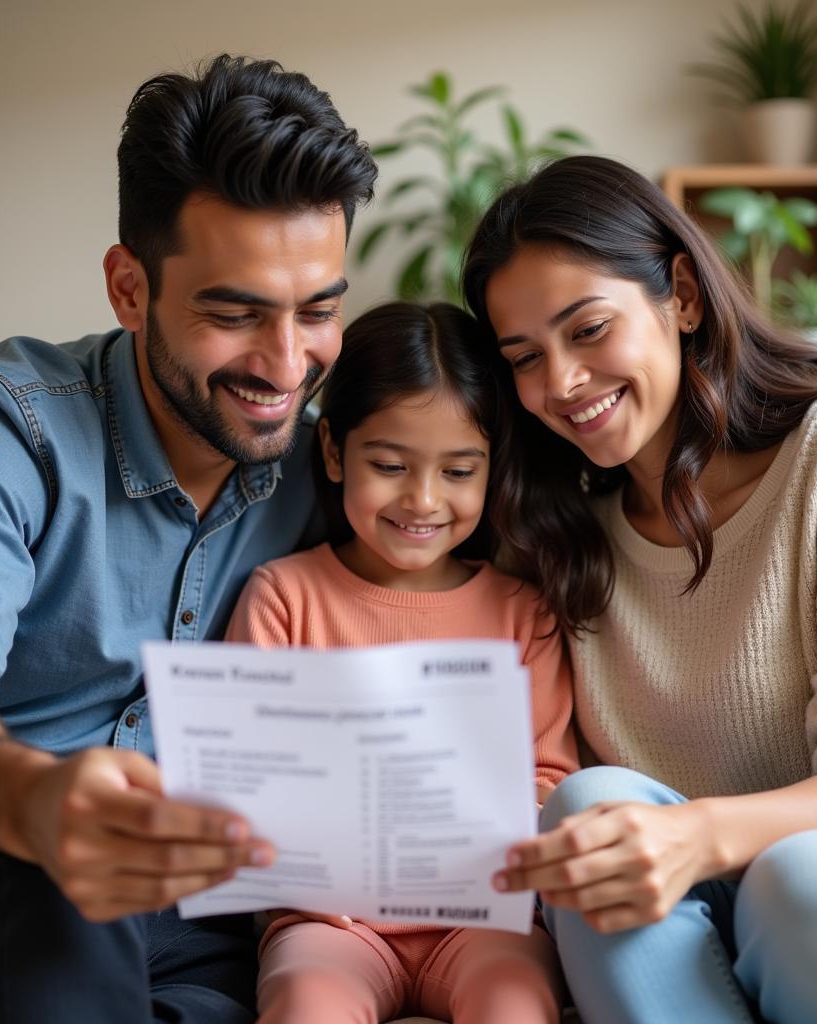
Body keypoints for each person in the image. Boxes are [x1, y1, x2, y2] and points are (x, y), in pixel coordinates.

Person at [0, 55, 377, 1023]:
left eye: (319, 309)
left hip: (210, 923)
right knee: (54, 879)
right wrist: (35, 800)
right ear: (129, 289)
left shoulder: (343, 456)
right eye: (235, 313)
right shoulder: (5, 428)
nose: (288, 363)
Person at [461, 155, 817, 1024]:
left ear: (681, 295)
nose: (561, 383)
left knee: (806, 875)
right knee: (585, 810)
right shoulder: (559, 533)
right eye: (524, 357)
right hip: (684, 935)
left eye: (589, 329)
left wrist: (698, 836)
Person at [224, 301, 579, 1023]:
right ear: (333, 453)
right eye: (389, 466)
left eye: (458, 470)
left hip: (485, 918)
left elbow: (549, 778)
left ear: (491, 470)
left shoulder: (523, 613)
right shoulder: (284, 598)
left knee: (516, 1004)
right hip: (331, 921)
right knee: (304, 1003)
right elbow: (244, 775)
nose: (423, 499)